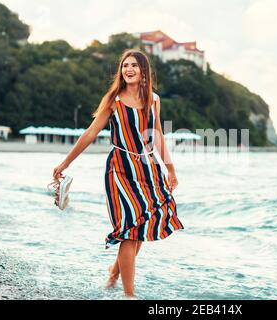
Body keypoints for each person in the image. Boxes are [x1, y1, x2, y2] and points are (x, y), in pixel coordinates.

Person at [52, 49, 184, 299]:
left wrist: (171, 169)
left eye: (134, 65)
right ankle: (129, 295)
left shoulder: (154, 99)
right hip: (120, 169)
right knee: (129, 230)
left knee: (143, 227)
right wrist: (65, 163)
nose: (129, 69)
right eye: (125, 66)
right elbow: (90, 133)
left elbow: (156, 135)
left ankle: (115, 273)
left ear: (144, 71)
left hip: (147, 168)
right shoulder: (114, 100)